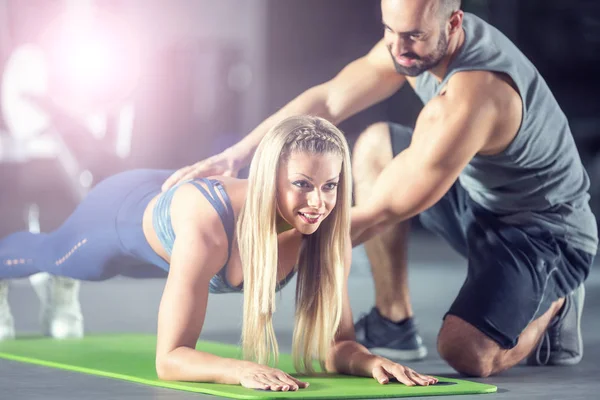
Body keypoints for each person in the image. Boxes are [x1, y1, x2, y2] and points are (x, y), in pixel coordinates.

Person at [161, 0, 598, 378]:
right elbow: (329, 101)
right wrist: (236, 154)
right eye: (389, 30)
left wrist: (267, 243)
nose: (397, 47)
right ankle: (394, 320)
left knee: (466, 353)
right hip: (478, 191)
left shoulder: (474, 96)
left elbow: (379, 213)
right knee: (374, 145)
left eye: (412, 36)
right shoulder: (410, 39)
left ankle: (554, 308)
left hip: (542, 229)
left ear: (454, 24)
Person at [0, 115, 437, 390]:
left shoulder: (326, 235)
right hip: (122, 212)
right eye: (302, 184)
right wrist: (238, 369)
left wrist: (368, 361)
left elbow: (335, 345)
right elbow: (169, 359)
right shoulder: (208, 228)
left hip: (176, 241)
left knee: (153, 273)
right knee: (57, 256)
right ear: (270, 177)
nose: (318, 203)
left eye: (330, 186)